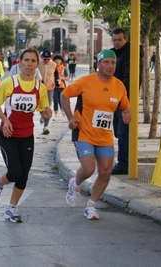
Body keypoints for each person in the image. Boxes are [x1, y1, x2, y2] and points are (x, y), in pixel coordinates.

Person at [61, 50, 131, 220]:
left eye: (113, 63)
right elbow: (64, 95)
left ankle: (90, 205)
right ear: (98, 64)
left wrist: (126, 114)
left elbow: (125, 106)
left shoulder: (119, 85)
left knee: (106, 172)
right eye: (106, 62)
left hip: (104, 135)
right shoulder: (85, 81)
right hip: (83, 132)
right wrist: (70, 117)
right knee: (88, 168)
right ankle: (75, 184)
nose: (110, 66)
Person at [0, 47, 52, 222]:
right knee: (15, 172)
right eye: (26, 60)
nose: (29, 64)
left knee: (24, 175)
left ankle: (12, 208)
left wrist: (46, 114)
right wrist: (5, 120)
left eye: (33, 61)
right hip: (8, 134)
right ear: (20, 62)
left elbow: (43, 110)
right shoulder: (10, 83)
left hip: (27, 135)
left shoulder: (40, 87)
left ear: (37, 64)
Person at [110, 28, 143, 175]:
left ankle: (124, 164)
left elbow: (128, 80)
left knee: (123, 133)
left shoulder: (131, 54)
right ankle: (125, 161)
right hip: (116, 100)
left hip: (125, 100)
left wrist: (121, 99)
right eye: (114, 40)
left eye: (119, 40)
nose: (116, 42)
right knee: (118, 132)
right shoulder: (114, 54)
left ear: (126, 39)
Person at [38, 50, 57, 134]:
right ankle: (42, 115)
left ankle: (46, 127)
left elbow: (56, 74)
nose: (46, 61)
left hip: (50, 87)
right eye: (45, 59)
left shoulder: (53, 65)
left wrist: (56, 81)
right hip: (39, 88)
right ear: (42, 58)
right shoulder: (38, 64)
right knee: (39, 104)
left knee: (48, 106)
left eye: (48, 59)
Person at [53, 55, 69, 121]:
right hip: (54, 87)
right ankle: (56, 115)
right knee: (55, 100)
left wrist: (61, 78)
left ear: (61, 61)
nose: (57, 61)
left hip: (62, 86)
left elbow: (67, 78)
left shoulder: (63, 68)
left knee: (61, 101)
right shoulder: (52, 68)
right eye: (56, 60)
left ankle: (63, 111)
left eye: (59, 60)